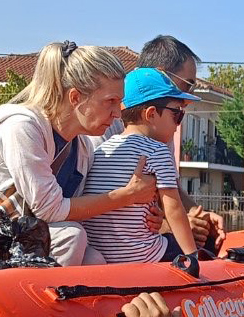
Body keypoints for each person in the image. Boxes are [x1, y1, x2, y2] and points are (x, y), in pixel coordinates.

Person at [0, 41, 157, 266]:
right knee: (72, 237)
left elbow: (83, 208)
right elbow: (51, 211)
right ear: (75, 97)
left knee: (94, 260)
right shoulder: (23, 127)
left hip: (8, 245)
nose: (117, 113)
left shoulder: (81, 147)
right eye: (110, 101)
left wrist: (146, 219)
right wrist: (128, 197)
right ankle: (36, 313)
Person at [97, 35, 226, 253]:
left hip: (107, 248)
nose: (187, 98)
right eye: (188, 85)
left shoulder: (157, 130)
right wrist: (170, 228)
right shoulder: (102, 127)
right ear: (160, 75)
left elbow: (168, 187)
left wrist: (199, 214)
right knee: (202, 254)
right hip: (133, 247)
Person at [83, 68, 200, 270]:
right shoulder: (157, 151)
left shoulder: (100, 151)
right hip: (143, 256)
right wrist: (193, 257)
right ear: (151, 114)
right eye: (177, 115)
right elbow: (174, 209)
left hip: (102, 255)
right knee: (192, 246)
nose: (178, 125)